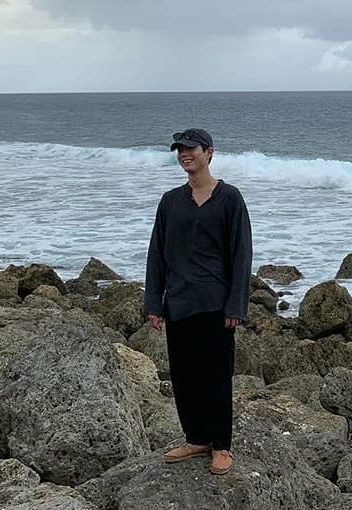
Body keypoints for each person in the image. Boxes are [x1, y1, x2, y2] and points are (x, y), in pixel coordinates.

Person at [144, 128, 253, 476]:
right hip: (178, 302)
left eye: (190, 149)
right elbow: (156, 254)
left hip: (215, 305)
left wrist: (236, 305)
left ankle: (221, 445)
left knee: (216, 377)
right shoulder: (170, 201)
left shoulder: (229, 198)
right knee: (184, 377)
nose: (184, 155)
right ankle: (196, 438)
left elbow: (241, 255)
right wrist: (153, 302)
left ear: (209, 152)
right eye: (180, 150)